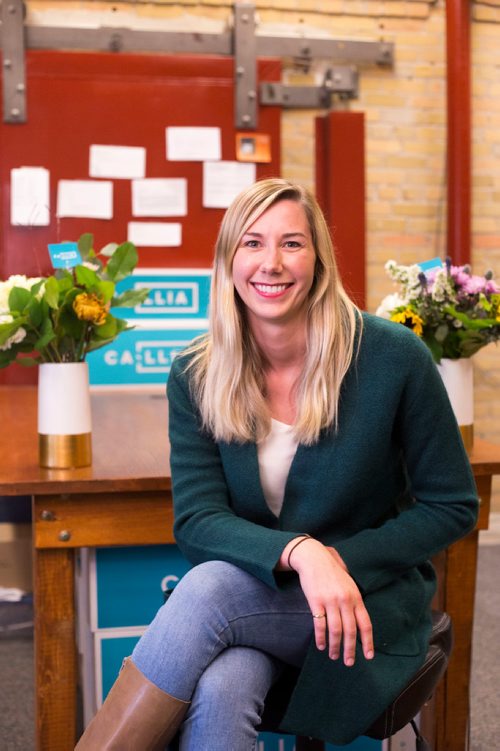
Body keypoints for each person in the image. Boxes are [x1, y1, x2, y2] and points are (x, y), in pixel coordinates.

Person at [75, 178, 478, 750]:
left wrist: (337, 560)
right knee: (224, 682)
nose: (271, 263)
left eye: (291, 243)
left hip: (364, 601)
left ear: (318, 258)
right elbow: (197, 520)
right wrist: (301, 553)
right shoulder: (198, 372)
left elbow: (452, 505)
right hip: (254, 602)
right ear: (228, 260)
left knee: (211, 588)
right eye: (252, 243)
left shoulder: (393, 358)